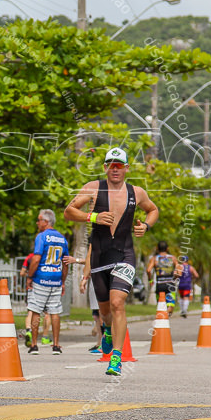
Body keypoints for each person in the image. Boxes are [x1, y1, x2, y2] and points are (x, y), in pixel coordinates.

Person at [64, 147, 158, 377]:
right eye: (111, 165)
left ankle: (116, 357)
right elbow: (69, 211)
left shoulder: (137, 193)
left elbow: (153, 210)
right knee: (105, 310)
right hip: (99, 257)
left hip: (124, 255)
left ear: (126, 168)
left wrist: (145, 225)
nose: (115, 169)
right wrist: (92, 216)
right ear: (105, 167)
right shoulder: (93, 188)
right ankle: (106, 330)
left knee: (117, 303)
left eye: (119, 165)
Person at [26, 209, 69, 355]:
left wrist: (30, 276)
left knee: (36, 310)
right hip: (56, 279)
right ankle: (56, 345)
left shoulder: (41, 237)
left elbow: (36, 258)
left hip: (41, 278)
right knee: (55, 311)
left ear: (46, 222)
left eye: (39, 220)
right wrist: (62, 281)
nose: (37, 223)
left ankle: (34, 345)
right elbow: (65, 263)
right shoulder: (62, 238)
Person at [146, 241, 178, 315]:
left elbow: (148, 270)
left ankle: (163, 316)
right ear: (167, 248)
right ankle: (166, 315)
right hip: (170, 285)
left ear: (157, 248)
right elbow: (178, 270)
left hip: (159, 285)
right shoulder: (172, 258)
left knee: (161, 305)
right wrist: (175, 277)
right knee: (170, 306)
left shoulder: (154, 259)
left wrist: (150, 280)